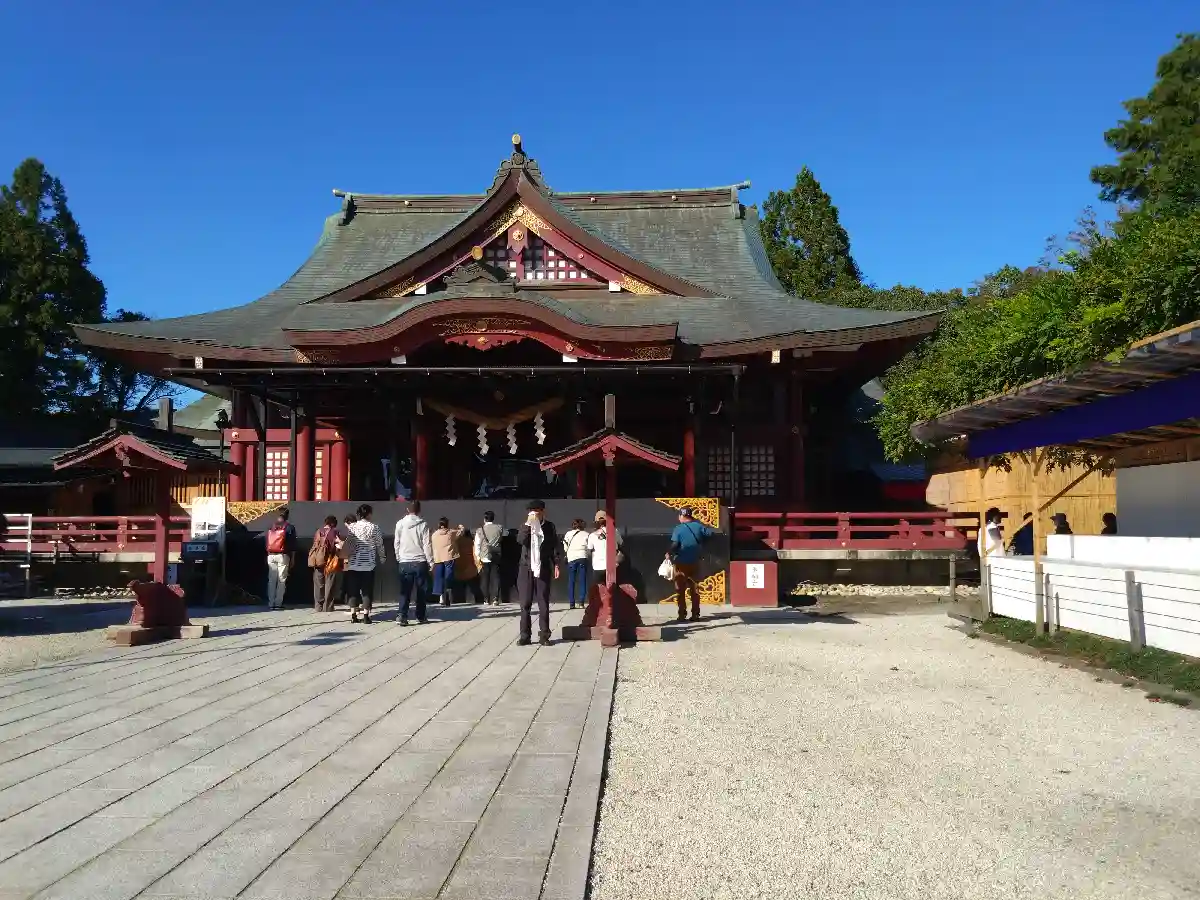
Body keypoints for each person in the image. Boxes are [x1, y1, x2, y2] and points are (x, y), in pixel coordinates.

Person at [517, 499, 562, 646]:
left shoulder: (549, 527)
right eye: (531, 511)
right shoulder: (525, 526)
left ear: (543, 512)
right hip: (526, 567)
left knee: (543, 602)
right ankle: (525, 635)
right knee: (525, 603)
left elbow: (554, 546)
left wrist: (556, 563)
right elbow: (521, 540)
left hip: (543, 566)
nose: (534, 514)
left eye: (537, 511)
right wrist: (528, 525)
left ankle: (544, 635)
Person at [667, 507, 714, 623]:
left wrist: (669, 552)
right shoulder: (698, 526)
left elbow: (675, 544)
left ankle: (682, 614)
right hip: (695, 562)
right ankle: (695, 614)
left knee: (680, 589)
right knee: (695, 589)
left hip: (681, 563)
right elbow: (710, 534)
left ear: (681, 516)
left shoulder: (678, 528)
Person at [394, 500, 433, 626]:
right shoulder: (424, 524)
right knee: (421, 591)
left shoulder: (400, 523)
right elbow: (427, 544)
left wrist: (398, 557)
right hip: (420, 561)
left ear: (407, 509)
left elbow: (396, 542)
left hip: (404, 561)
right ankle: (420, 616)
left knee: (405, 590)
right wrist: (430, 561)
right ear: (419, 510)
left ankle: (402, 615)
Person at [346, 504, 386, 624]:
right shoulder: (374, 528)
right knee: (367, 590)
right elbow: (379, 544)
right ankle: (366, 616)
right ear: (369, 514)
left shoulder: (352, 527)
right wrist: (382, 557)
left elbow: (349, 544)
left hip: (353, 563)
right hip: (368, 564)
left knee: (353, 590)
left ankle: (353, 615)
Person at [264, 508, 297, 610]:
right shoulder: (290, 527)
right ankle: (278, 603)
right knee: (281, 580)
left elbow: (267, 541)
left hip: (270, 555)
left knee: (271, 580)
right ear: (287, 516)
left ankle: (271, 603)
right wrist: (293, 558)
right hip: (283, 555)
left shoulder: (271, 526)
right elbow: (293, 545)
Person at [309, 515, 341, 612]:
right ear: (333, 523)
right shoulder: (334, 532)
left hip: (318, 560)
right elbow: (337, 546)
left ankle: (318, 606)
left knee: (318, 584)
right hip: (330, 560)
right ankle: (328, 607)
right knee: (329, 583)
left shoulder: (318, 531)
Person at [474, 511, 505, 606]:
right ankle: (495, 599)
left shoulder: (480, 530)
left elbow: (477, 545)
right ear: (493, 518)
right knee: (496, 578)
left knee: (485, 579)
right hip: (496, 555)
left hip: (484, 556)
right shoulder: (499, 528)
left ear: (484, 519)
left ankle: (486, 599)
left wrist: (478, 557)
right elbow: (501, 539)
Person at [431, 518, 464, 607]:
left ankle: (441, 597)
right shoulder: (451, 532)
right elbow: (461, 532)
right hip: (449, 557)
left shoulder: (434, 534)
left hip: (438, 558)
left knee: (439, 577)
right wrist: (461, 527)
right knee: (448, 577)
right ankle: (448, 595)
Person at [586, 510, 624, 588]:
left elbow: (589, 550)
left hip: (598, 566)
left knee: (599, 590)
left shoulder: (592, 535)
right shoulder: (614, 531)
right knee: (612, 589)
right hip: (612, 566)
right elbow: (621, 543)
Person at [562, 518, 590, 609]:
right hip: (583, 557)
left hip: (572, 558)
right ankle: (581, 603)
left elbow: (565, 547)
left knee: (571, 580)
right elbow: (589, 548)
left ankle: (572, 603)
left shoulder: (568, 534)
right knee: (582, 580)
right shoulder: (587, 534)